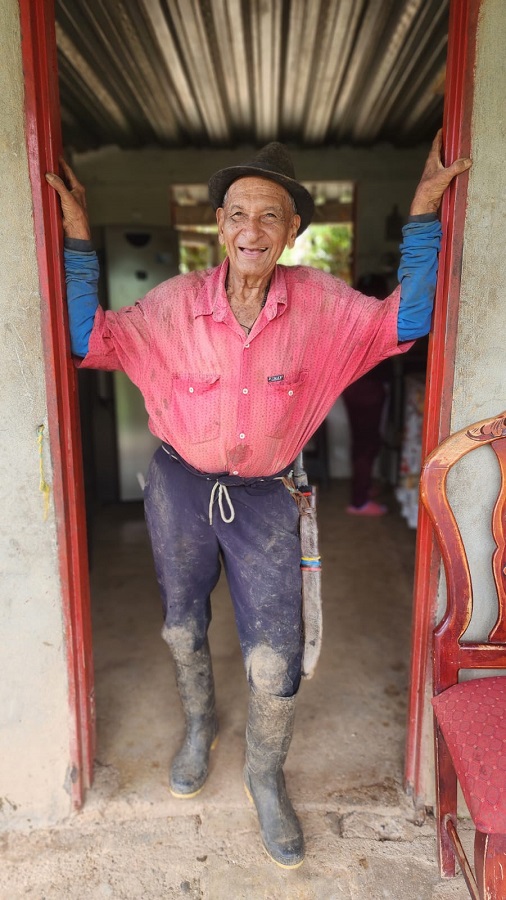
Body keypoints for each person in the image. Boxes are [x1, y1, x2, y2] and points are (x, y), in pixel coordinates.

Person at [46, 133, 470, 869]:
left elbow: (405, 322)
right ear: (219, 224)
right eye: (238, 212)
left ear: (292, 231)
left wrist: (424, 211)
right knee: (182, 629)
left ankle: (265, 773)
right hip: (179, 487)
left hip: (268, 498)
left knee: (276, 657)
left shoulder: (320, 306)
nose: (252, 229)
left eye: (269, 216)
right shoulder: (175, 304)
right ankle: (199, 724)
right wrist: (78, 237)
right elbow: (89, 336)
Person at [342, 272, 392, 516]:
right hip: (367, 389)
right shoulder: (378, 318)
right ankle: (359, 501)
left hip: (355, 388)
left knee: (363, 442)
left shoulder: (353, 316)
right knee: (366, 444)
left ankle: (363, 488)